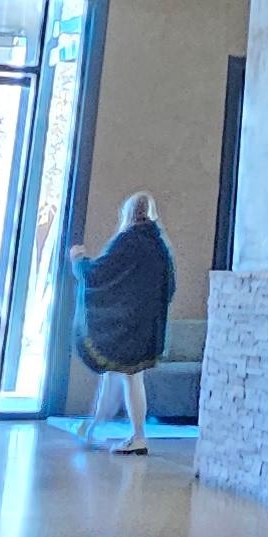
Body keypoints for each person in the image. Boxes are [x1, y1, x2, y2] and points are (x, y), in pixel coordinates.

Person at [70, 191, 176, 453]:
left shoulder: (127, 241)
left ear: (128, 212)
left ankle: (138, 436)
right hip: (147, 326)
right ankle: (93, 426)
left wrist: (79, 260)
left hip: (125, 327)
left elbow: (98, 274)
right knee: (117, 376)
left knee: (129, 378)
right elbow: (169, 287)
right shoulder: (160, 246)